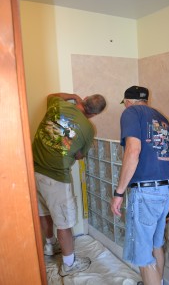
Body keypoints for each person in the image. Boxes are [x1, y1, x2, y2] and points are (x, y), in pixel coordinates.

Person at [111, 86, 169, 285]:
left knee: (142, 253)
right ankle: (157, 280)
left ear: (128, 101)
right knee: (157, 244)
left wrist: (119, 193)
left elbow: (133, 150)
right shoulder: (162, 119)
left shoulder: (131, 113)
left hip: (146, 191)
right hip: (166, 189)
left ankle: (152, 281)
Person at [32, 92, 106, 277]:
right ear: (94, 115)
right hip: (56, 177)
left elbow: (51, 95)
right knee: (64, 223)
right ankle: (69, 265)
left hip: (32, 169)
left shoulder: (57, 104)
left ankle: (50, 246)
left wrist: (73, 95)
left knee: (43, 211)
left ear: (84, 99)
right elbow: (80, 155)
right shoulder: (88, 129)